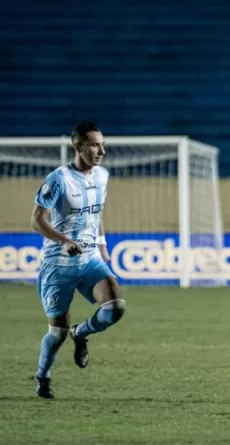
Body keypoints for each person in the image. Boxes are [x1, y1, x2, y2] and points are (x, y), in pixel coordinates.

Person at [30, 121, 126, 399]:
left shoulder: (102, 176)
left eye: (103, 144)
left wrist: (103, 245)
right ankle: (43, 375)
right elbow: (36, 220)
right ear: (78, 147)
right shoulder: (58, 179)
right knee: (56, 333)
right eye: (95, 144)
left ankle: (81, 332)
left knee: (116, 307)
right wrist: (65, 241)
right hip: (58, 265)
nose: (101, 150)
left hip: (90, 259)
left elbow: (96, 215)